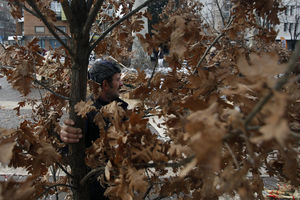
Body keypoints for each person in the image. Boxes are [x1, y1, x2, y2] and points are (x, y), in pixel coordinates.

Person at [59, 59, 128, 200]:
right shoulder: (86, 113)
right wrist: (64, 137)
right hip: (97, 191)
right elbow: (69, 151)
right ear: (105, 84)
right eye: (117, 79)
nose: (121, 84)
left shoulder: (121, 107)